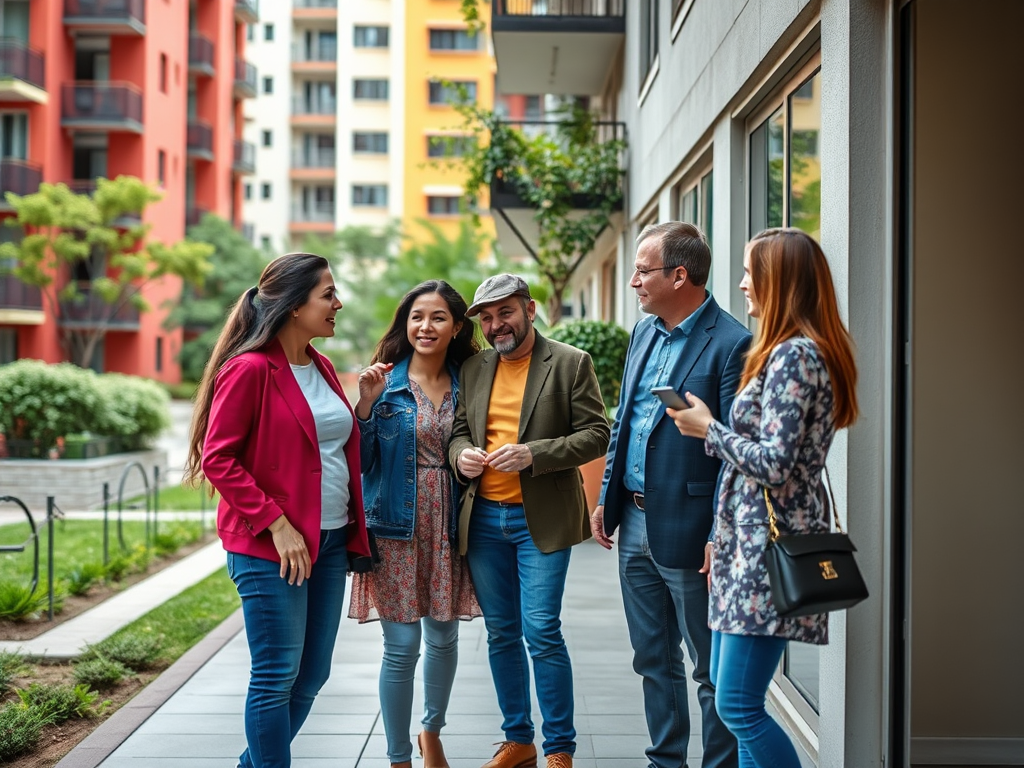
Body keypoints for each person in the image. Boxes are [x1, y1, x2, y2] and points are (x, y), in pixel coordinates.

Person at [669, 228, 859, 767]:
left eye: (752, 273)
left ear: (780, 282)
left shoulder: (797, 357)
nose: (743, 284)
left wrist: (709, 428)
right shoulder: (784, 353)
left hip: (764, 554)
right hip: (745, 550)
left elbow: (775, 463)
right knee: (740, 705)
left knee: (738, 706)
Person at [184, 252, 371, 768]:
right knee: (276, 674)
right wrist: (277, 523)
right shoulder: (249, 370)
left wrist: (366, 408)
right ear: (293, 306)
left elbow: (324, 445)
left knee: (312, 675)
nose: (338, 302)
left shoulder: (323, 365)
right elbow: (218, 458)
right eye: (328, 294)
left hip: (330, 540)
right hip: (273, 548)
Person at [591, 222, 749, 768]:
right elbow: (626, 424)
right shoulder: (644, 333)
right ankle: (666, 761)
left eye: (643, 270)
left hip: (694, 529)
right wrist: (606, 495)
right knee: (651, 658)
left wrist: (720, 533)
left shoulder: (731, 343)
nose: (634, 280)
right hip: (633, 521)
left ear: (680, 275)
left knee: (709, 668)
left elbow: (736, 449)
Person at [448, 274, 610, 768]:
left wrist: (534, 454)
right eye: (488, 317)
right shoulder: (475, 368)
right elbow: (457, 431)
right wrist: (462, 457)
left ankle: (560, 748)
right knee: (501, 632)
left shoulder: (569, 363)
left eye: (506, 313)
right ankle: (518, 740)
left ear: (530, 309)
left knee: (541, 630)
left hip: (539, 521)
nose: (497, 325)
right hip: (483, 522)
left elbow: (597, 434)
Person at [350, 281, 482, 768]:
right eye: (417, 317)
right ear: (405, 324)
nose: (426, 326)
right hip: (395, 527)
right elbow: (361, 463)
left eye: (438, 317)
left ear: (457, 327)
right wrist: (365, 405)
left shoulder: (472, 380)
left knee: (444, 637)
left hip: (452, 524)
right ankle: (398, 756)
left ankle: (432, 732)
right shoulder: (385, 383)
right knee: (402, 647)